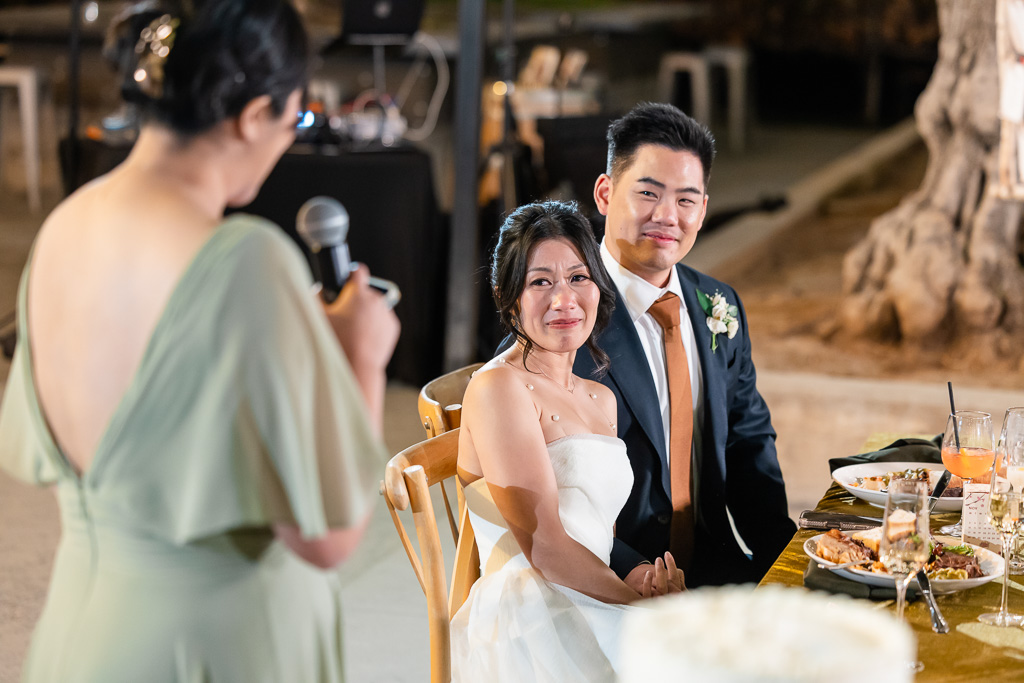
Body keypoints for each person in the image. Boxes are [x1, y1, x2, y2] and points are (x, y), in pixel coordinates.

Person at [0, 1, 399, 681]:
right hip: (203, 649)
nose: (287, 141)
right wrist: (361, 357)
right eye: (293, 119)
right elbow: (329, 535)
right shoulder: (245, 258)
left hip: (79, 632)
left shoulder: (64, 225)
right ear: (250, 116)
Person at [450, 201, 683, 683]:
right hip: (530, 609)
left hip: (585, 591)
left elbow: (598, 530)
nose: (564, 300)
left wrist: (638, 576)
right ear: (507, 295)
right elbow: (547, 548)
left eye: (579, 278)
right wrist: (636, 604)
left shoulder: (600, 397)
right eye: (541, 282)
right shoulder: (499, 389)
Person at [574, 102, 796, 589]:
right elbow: (545, 494)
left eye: (686, 200)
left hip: (714, 567)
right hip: (610, 580)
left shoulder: (719, 304)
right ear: (606, 194)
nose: (667, 217)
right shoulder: (564, 314)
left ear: (704, 209)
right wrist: (632, 572)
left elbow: (748, 443)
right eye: (648, 193)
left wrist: (787, 563)